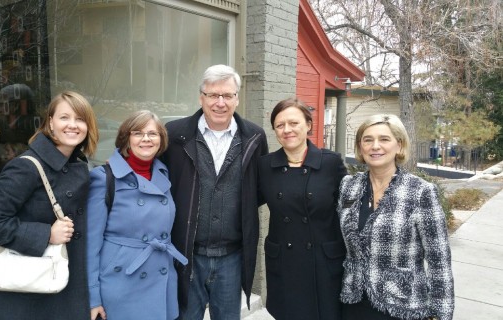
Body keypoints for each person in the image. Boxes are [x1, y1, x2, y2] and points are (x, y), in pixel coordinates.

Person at [0, 91, 99, 320]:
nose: (73, 125)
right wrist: (46, 234)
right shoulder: (26, 167)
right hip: (27, 297)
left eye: (80, 119)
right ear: (50, 123)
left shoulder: (80, 165)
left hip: (64, 285)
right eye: (64, 117)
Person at [162, 64, 269, 319]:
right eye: (213, 95)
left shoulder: (254, 137)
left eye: (228, 95)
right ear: (201, 97)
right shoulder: (175, 135)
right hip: (186, 254)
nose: (220, 102)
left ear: (237, 99)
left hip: (232, 257)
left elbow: (260, 189)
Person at [338, 114, 454, 320]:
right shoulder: (349, 186)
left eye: (384, 139)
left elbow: (439, 261)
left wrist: (440, 314)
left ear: (399, 146)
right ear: (360, 147)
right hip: (354, 304)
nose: (375, 146)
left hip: (403, 306)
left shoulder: (420, 191)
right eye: (368, 140)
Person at [86, 110, 187, 320]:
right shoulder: (103, 178)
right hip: (121, 282)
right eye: (138, 133)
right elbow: (90, 244)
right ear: (126, 138)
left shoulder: (164, 174)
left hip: (160, 277)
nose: (146, 139)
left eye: (153, 134)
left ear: (161, 140)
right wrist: (93, 297)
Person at [258, 98, 347, 320]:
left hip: (324, 262)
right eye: (280, 125)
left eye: (294, 123)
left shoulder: (331, 163)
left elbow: (349, 212)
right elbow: (245, 206)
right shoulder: (264, 166)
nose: (287, 130)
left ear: (308, 125)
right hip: (285, 263)